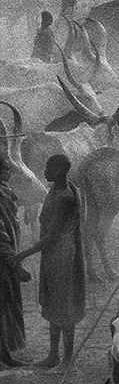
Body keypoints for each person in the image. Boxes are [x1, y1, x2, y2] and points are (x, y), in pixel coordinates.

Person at [14, 154, 86, 369]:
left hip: (64, 258)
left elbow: (51, 236)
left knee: (66, 307)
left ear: (59, 171)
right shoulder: (56, 190)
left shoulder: (66, 197)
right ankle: (54, 355)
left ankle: (67, 358)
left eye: (48, 168)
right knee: (55, 306)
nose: (44, 171)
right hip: (54, 257)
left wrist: (22, 254)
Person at [0, 146, 30, 367]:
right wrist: (16, 264)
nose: (9, 173)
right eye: (4, 170)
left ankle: (5, 353)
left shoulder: (4, 193)